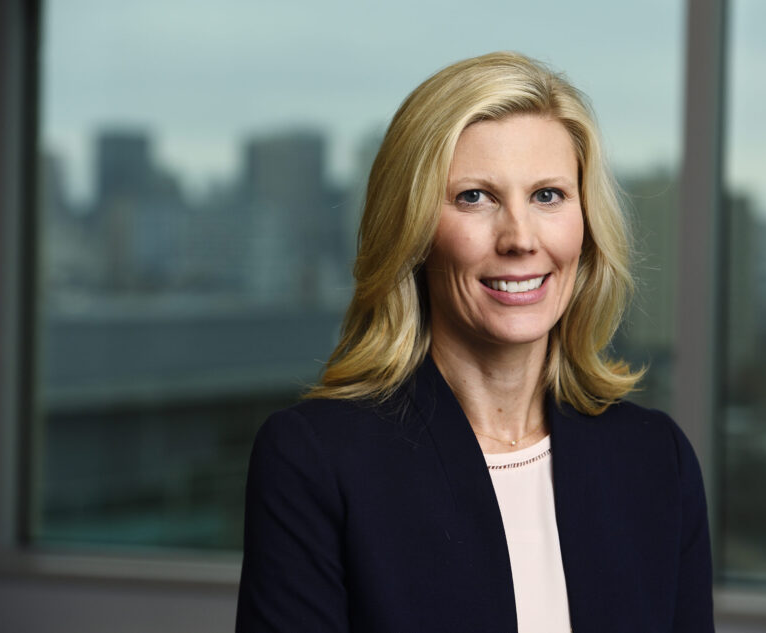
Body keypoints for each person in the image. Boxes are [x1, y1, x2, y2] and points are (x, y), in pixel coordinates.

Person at [236, 51, 714, 633]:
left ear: (586, 227)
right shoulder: (315, 462)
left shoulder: (655, 460)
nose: (519, 239)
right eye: (474, 197)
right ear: (412, 231)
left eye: (547, 196)